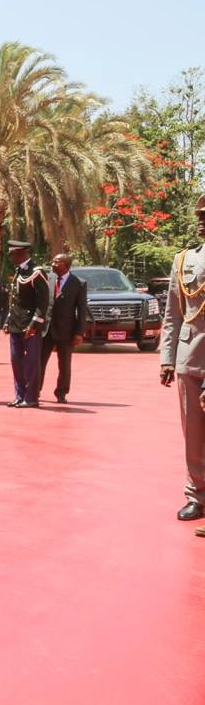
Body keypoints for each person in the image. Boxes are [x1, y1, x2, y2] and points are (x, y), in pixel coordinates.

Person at [159, 194, 205, 524]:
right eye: (200, 214)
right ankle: (197, 495)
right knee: (193, 431)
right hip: (190, 357)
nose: (201, 218)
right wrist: (167, 358)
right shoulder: (184, 260)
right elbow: (173, 315)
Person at [4, 240, 51, 409]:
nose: (10, 257)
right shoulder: (19, 271)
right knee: (16, 361)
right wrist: (9, 320)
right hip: (16, 323)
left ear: (22, 253)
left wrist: (34, 324)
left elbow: (43, 303)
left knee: (31, 363)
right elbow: (15, 300)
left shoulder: (37, 272)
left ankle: (31, 397)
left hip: (30, 325)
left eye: (12, 254)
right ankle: (19, 395)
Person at [39, 253, 87, 404]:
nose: (52, 264)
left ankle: (61, 393)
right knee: (39, 362)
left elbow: (82, 309)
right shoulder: (47, 278)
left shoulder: (78, 283)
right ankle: (35, 389)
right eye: (52, 261)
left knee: (64, 364)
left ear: (66, 265)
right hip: (46, 329)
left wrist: (79, 332)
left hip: (67, 330)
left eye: (56, 262)